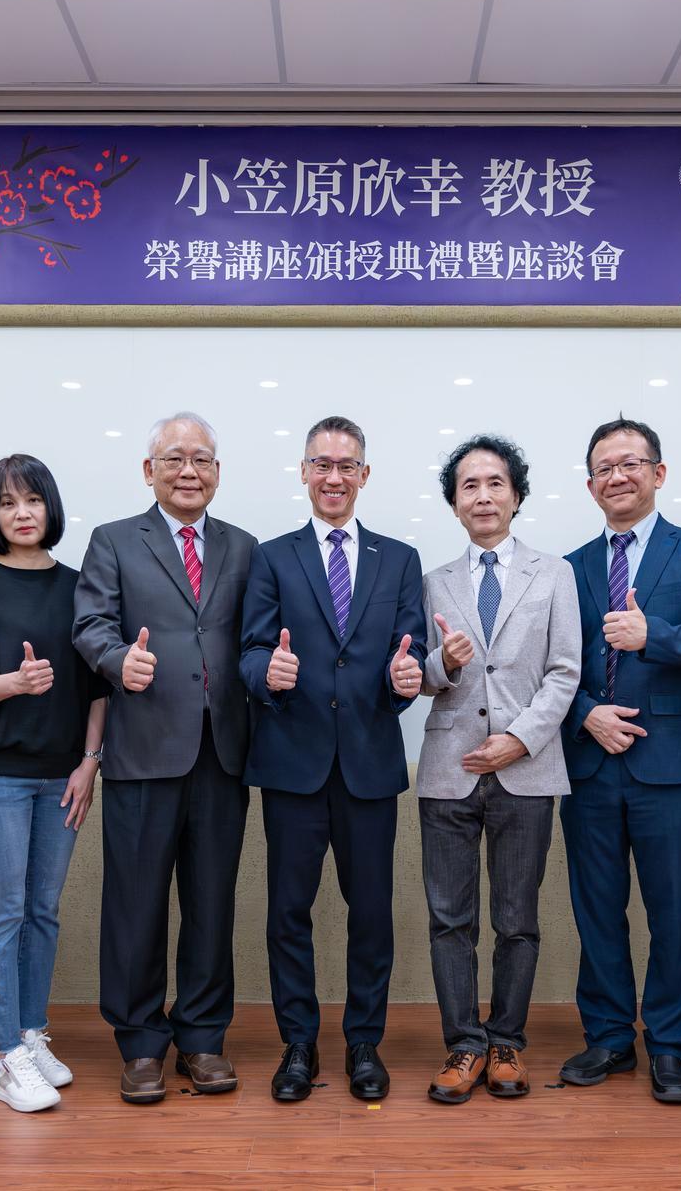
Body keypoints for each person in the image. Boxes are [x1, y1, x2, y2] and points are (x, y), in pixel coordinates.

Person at [240, 415, 427, 1103]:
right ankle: (297, 1044)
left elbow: (403, 664)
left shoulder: (398, 558)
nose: (333, 476)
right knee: (288, 910)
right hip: (292, 761)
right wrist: (269, 672)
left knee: (370, 910)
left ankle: (363, 1043)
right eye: (321, 463)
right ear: (303, 471)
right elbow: (250, 652)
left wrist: (403, 684)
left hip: (370, 764)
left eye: (347, 464)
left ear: (364, 475)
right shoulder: (272, 556)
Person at [74, 414, 257, 1104]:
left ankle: (203, 1037)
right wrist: (121, 659)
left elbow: (254, 636)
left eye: (202, 459)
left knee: (211, 903)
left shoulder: (244, 547)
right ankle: (141, 1041)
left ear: (217, 471)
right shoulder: (114, 540)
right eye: (175, 458)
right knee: (135, 905)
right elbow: (88, 623)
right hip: (143, 748)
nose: (189, 471)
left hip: (222, 752)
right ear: (147, 469)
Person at [558, 418, 681, 1105]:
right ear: (590, 484)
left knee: (670, 910)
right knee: (596, 909)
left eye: (630, 463)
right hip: (589, 763)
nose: (617, 476)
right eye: (603, 467)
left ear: (658, 474)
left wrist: (651, 633)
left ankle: (667, 1043)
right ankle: (606, 1036)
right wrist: (582, 713)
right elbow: (550, 666)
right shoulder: (566, 566)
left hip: (669, 765)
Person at [0, 455, 108, 1114]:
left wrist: (90, 761)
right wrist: (14, 682)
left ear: (50, 507)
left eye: (33, 499)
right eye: (7, 502)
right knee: (2, 912)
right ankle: (3, 1053)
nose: (22, 512)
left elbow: (97, 687)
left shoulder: (78, 586)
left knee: (41, 911)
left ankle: (32, 1033)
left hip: (60, 774)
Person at [417, 435, 580, 1103]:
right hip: (447, 769)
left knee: (516, 917)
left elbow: (565, 670)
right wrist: (444, 662)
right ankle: (463, 1044)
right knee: (449, 918)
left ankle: (506, 1040)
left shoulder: (555, 573)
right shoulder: (433, 581)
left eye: (494, 483)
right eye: (468, 486)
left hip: (526, 770)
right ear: (454, 504)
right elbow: (418, 677)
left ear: (515, 494)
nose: (482, 495)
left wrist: (519, 737)